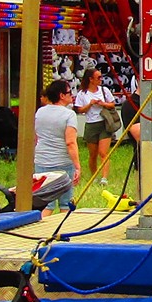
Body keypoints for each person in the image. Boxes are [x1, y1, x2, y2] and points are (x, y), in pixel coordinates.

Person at [30, 79, 81, 209]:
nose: (72, 95)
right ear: (61, 95)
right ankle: (67, 228)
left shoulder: (40, 112)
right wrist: (77, 166)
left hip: (41, 160)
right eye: (69, 92)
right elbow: (70, 142)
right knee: (65, 203)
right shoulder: (69, 115)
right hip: (62, 162)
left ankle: (38, 228)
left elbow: (36, 136)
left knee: (46, 203)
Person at [72, 66, 116, 187]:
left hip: (104, 122)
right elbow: (80, 109)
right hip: (91, 124)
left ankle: (104, 178)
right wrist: (90, 105)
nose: (100, 80)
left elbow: (112, 104)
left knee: (103, 152)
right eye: (98, 77)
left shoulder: (104, 90)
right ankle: (94, 175)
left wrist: (103, 104)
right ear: (91, 79)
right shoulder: (83, 93)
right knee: (93, 154)